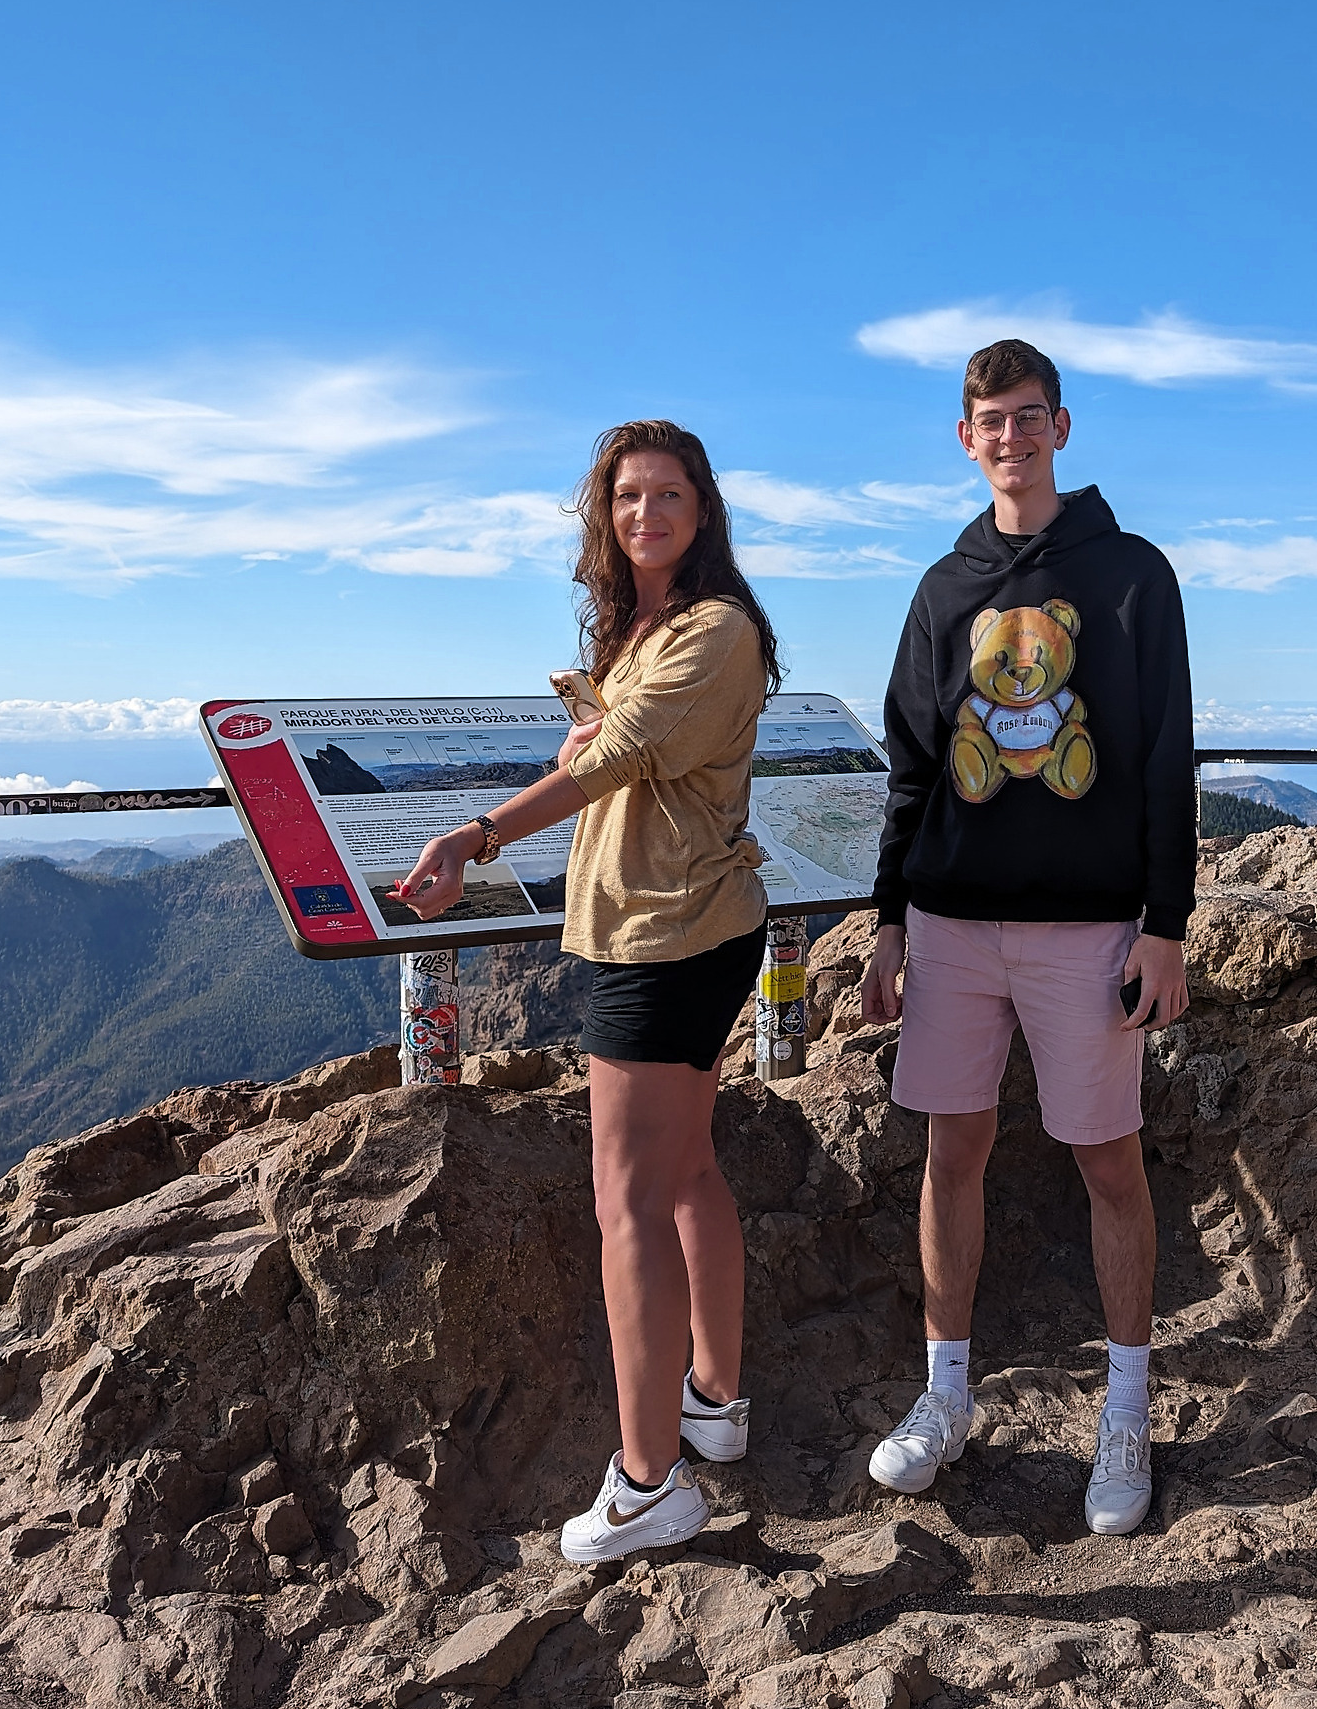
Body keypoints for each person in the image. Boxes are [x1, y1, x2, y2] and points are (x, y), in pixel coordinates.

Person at [396, 419, 780, 1564]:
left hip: (667, 937)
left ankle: (648, 1480)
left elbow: (612, 759)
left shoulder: (714, 629)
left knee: (626, 1202)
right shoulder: (645, 629)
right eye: (626, 495)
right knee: (686, 1171)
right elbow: (608, 749)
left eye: (667, 494)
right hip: (669, 925)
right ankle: (714, 1398)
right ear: (605, 514)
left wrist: (473, 834)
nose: (644, 513)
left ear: (702, 510)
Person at [858, 338, 1195, 1536]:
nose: (1011, 435)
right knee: (952, 1152)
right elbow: (912, 764)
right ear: (966, 439)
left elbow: (1162, 755)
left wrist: (1165, 925)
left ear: (1061, 425)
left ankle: (1126, 1409)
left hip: (1086, 929)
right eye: (990, 419)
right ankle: (945, 1394)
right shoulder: (940, 588)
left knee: (1108, 1161)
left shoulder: (1131, 574)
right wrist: (888, 920)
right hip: (949, 924)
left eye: (1029, 414)